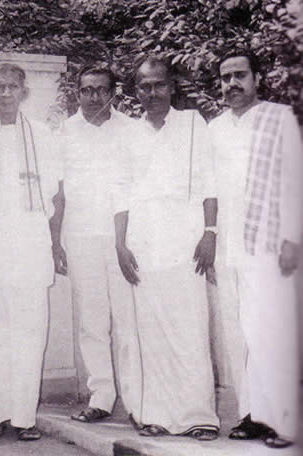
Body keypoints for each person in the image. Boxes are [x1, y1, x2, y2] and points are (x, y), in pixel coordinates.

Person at [114, 56, 220, 439]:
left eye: (159, 84)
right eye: (144, 86)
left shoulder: (193, 123)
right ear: (136, 91)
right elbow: (120, 191)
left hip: (186, 236)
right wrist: (119, 244)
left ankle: (199, 416)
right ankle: (155, 414)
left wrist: (210, 232)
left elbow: (210, 182)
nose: (153, 92)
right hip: (143, 238)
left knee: (190, 326)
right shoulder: (127, 132)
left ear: (172, 86)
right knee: (151, 329)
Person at [0, 63, 61, 441]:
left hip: (31, 244)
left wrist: (54, 242)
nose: (5, 94)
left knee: (30, 329)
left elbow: (56, 193)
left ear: (24, 92)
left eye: (12, 87)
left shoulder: (43, 135)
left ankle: (24, 417)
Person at [209, 49, 302, 449]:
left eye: (239, 75)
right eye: (226, 77)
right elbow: (209, 190)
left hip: (269, 245)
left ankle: (283, 421)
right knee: (237, 335)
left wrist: (292, 240)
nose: (232, 84)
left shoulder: (279, 117)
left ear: (257, 78)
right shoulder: (214, 127)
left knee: (273, 333)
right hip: (230, 247)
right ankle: (251, 414)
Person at [50, 64, 142, 424]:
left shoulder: (130, 130)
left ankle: (136, 400)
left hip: (123, 239)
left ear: (113, 93)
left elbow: (137, 186)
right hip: (80, 235)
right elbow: (57, 193)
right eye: (86, 90)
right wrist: (54, 240)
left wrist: (130, 239)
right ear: (78, 92)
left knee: (126, 319)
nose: (93, 97)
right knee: (92, 320)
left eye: (101, 90)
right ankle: (101, 396)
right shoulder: (64, 133)